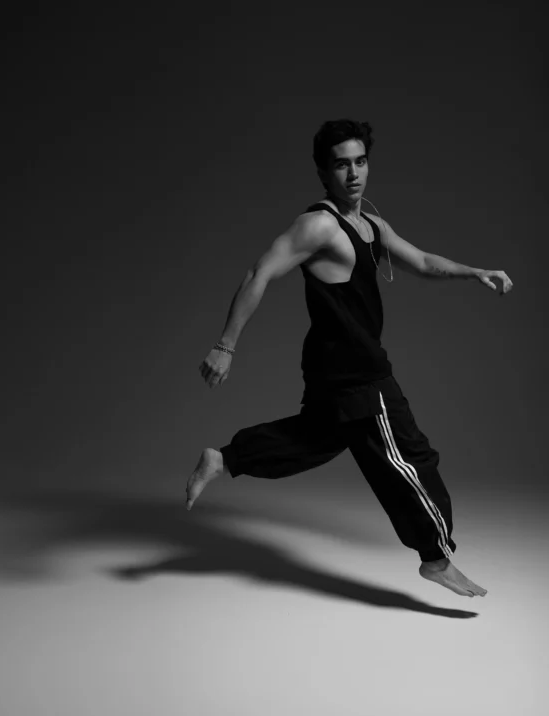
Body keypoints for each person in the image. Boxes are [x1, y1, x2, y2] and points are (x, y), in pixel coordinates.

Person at [185, 119, 513, 598]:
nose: (354, 174)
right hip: (355, 372)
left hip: (332, 365)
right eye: (341, 164)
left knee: (315, 438)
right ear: (323, 172)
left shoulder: (372, 224)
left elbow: (420, 261)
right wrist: (225, 345)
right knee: (412, 460)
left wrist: (475, 272)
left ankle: (224, 459)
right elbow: (259, 272)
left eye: (360, 162)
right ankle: (437, 558)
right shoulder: (318, 225)